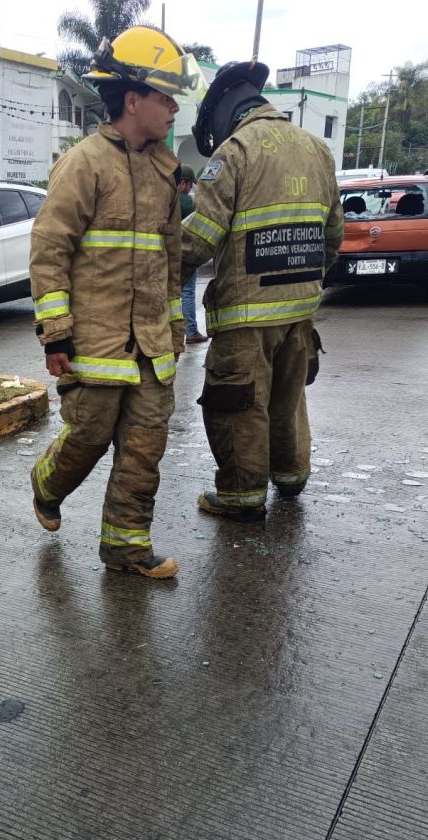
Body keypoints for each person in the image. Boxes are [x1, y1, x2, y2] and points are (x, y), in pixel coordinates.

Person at [29, 27, 205, 580]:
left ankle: (126, 545)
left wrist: (174, 330)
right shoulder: (84, 164)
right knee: (88, 436)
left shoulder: (165, 173)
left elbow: (171, 261)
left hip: (151, 345)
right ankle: (47, 482)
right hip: (95, 342)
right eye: (165, 97)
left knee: (145, 447)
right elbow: (50, 247)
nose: (173, 108)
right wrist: (55, 332)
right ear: (132, 99)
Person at [180, 60, 343, 522]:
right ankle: (291, 475)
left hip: (247, 315)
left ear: (223, 109)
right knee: (287, 398)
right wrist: (306, 280)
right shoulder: (316, 149)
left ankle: (241, 494)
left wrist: (155, 269)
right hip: (301, 311)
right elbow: (333, 234)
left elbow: (199, 239)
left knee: (239, 403)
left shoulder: (234, 152)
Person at [178, 165, 208, 344]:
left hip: (168, 254)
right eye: (190, 185)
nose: (190, 188)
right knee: (188, 292)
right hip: (185, 253)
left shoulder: (168, 199)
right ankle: (191, 330)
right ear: (183, 183)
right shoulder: (188, 202)